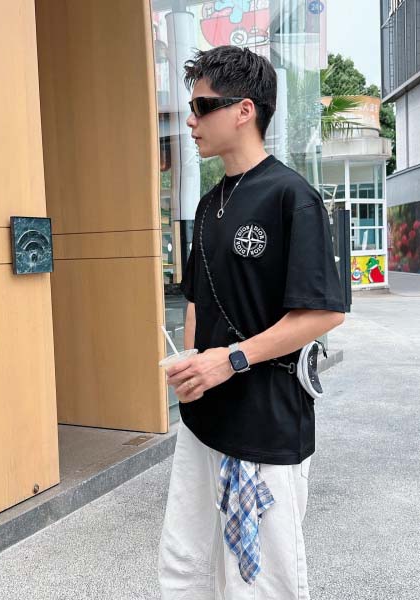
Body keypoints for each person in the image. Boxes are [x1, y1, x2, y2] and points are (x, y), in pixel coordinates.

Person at [158, 45, 345, 600]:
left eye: (201, 106)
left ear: (244, 110)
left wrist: (231, 359)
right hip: (204, 420)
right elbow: (197, 301)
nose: (190, 121)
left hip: (265, 423)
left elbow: (324, 311)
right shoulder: (209, 205)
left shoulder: (291, 196)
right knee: (187, 563)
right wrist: (193, 368)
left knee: (259, 579)